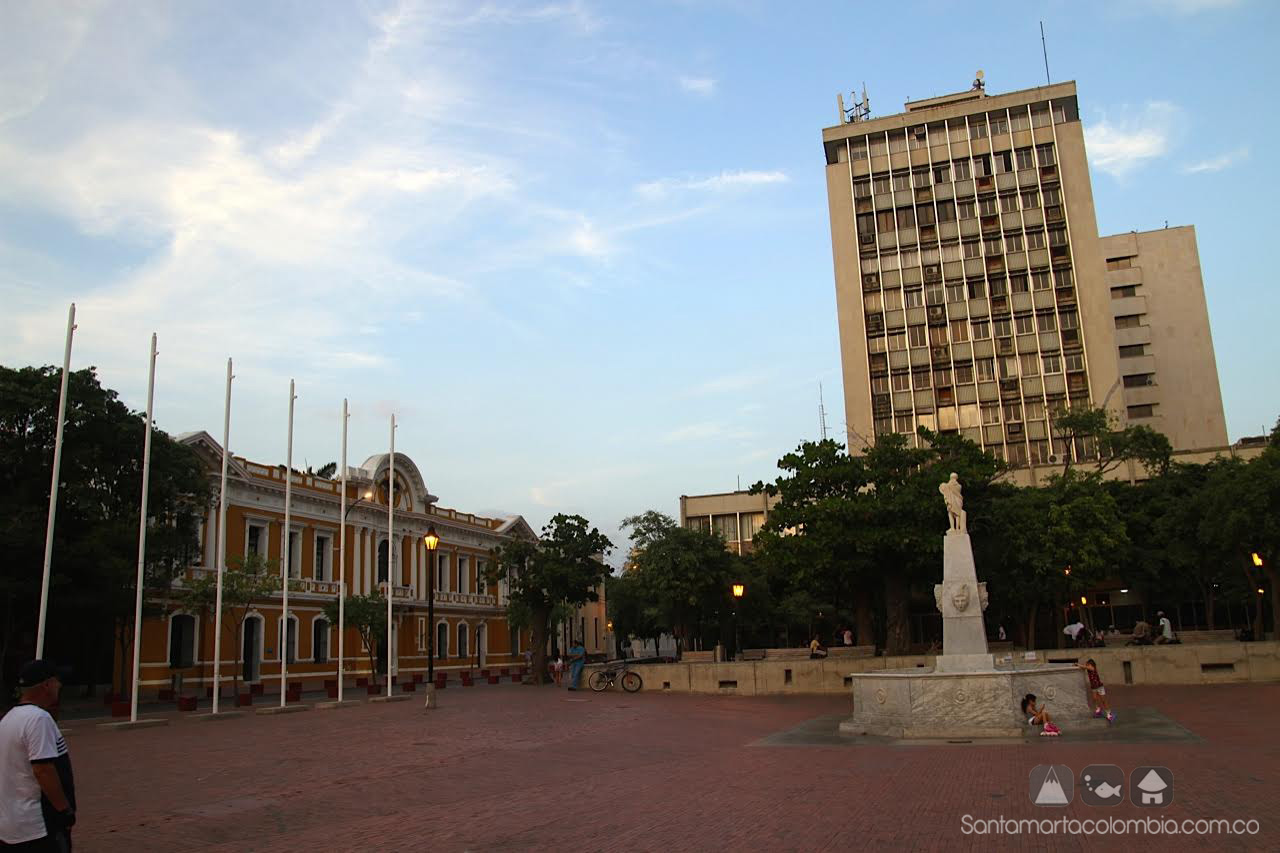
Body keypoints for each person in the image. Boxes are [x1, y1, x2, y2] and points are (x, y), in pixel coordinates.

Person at [1, 660, 76, 851]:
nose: (60, 686)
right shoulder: (38, 719)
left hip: (12, 823)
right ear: (47, 685)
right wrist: (63, 810)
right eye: (57, 681)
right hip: (37, 825)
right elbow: (43, 769)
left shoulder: (8, 719)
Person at [1075, 658, 1115, 724]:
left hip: (1099, 687)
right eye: (1088, 664)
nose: (1088, 665)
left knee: (1103, 700)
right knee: (1094, 699)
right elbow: (1085, 667)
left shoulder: (1093, 668)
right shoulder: (1088, 668)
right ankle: (1098, 710)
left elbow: (1086, 667)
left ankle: (1109, 714)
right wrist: (1079, 666)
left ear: (1092, 664)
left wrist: (1078, 664)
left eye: (1089, 664)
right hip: (1094, 687)